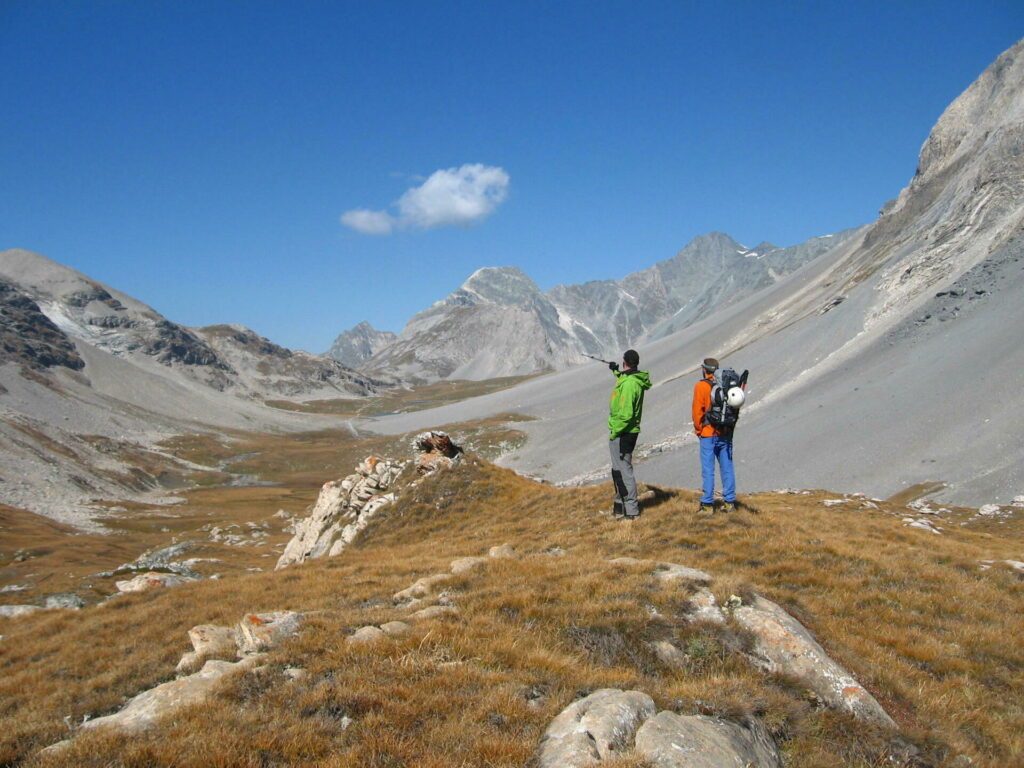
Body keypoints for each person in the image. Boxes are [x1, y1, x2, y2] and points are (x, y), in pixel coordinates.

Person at [608, 349, 652, 519]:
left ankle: (632, 512)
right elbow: (625, 378)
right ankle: (620, 508)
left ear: (625, 362)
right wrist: (615, 371)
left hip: (622, 433)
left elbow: (626, 415)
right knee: (618, 470)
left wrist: (614, 432)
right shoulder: (631, 379)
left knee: (623, 471)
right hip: (627, 432)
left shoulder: (629, 384)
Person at [691, 357, 736, 515]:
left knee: (708, 470)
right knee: (727, 467)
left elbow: (697, 412)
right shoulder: (724, 384)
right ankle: (730, 502)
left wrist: (699, 431)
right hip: (724, 433)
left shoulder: (701, 386)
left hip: (708, 433)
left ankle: (707, 505)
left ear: (704, 369)